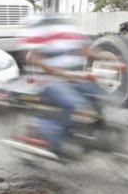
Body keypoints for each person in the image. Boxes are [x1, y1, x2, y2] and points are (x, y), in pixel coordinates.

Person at [24, 16, 104, 157]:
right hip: (49, 80)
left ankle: (83, 133)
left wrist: (107, 57)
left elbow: (87, 49)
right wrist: (54, 71)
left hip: (74, 77)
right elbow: (32, 57)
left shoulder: (71, 32)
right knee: (75, 104)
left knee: (102, 97)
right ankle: (55, 141)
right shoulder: (41, 33)